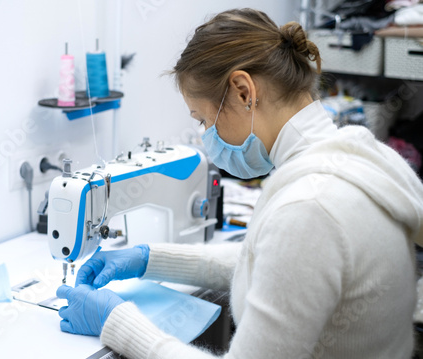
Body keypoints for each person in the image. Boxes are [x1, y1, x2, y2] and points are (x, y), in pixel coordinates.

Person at [55, 8, 423, 358]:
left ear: (244, 92)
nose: (205, 136)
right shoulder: (360, 159)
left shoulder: (310, 206)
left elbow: (295, 250)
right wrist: (150, 259)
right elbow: (279, 269)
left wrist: (116, 322)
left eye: (203, 120)